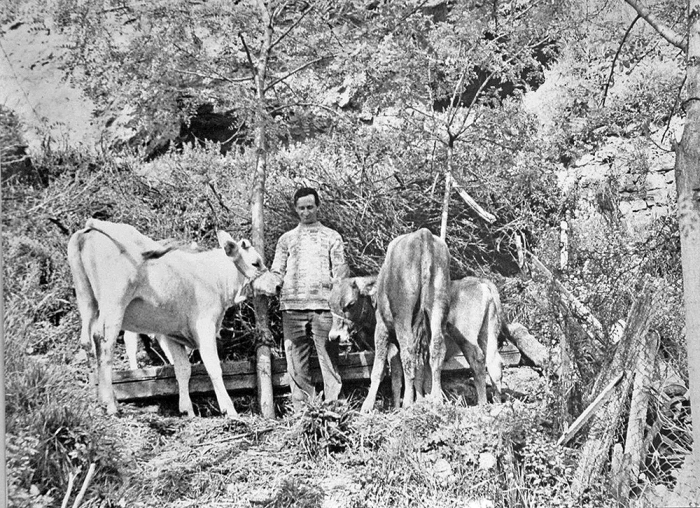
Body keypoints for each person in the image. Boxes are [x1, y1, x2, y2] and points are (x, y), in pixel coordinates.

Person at [257, 187, 348, 409]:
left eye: (310, 207)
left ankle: (335, 410)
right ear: (295, 210)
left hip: (323, 309)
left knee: (328, 360)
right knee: (296, 364)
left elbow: (340, 274)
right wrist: (263, 282)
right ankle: (306, 412)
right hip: (291, 310)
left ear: (318, 207)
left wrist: (338, 307)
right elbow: (277, 272)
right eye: (301, 208)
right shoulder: (286, 239)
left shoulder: (331, 236)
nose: (306, 212)